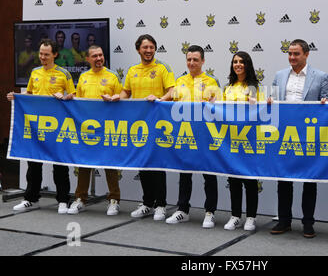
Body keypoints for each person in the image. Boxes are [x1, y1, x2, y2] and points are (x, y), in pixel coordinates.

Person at [268, 39, 328, 238]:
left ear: (306, 54)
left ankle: (308, 223)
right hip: (284, 136)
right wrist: (269, 101)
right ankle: (284, 221)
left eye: (296, 54)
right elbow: (274, 103)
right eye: (290, 53)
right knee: (283, 180)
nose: (292, 57)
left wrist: (325, 102)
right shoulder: (279, 75)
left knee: (309, 180)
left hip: (308, 136)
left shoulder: (321, 76)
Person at [6, 38, 75, 214]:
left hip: (57, 126)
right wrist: (17, 97)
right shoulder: (35, 72)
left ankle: (63, 200)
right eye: (40, 54)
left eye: (46, 54)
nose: (42, 57)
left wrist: (65, 96)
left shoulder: (64, 74)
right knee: (34, 164)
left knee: (60, 164)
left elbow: (73, 96)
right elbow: (29, 94)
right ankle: (30, 198)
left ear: (55, 55)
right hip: (36, 127)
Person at [120, 34, 175, 220]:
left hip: (158, 125)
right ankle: (147, 203)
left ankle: (161, 205)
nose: (149, 50)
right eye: (145, 47)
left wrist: (159, 100)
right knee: (143, 164)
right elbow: (125, 92)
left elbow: (172, 91)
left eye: (151, 47)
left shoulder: (163, 68)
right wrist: (115, 99)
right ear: (138, 50)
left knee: (157, 165)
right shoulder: (132, 70)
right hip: (138, 125)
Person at [165, 45, 221, 228]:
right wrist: (155, 100)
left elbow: (219, 109)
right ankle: (183, 210)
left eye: (195, 59)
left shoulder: (212, 81)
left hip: (206, 137)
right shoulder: (179, 81)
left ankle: (210, 212)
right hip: (185, 136)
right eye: (189, 59)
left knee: (209, 175)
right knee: (184, 174)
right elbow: (168, 105)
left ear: (203, 61)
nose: (191, 63)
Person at [67, 45, 122, 216]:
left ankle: (114, 200)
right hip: (88, 129)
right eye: (95, 56)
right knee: (84, 164)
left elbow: (122, 100)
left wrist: (114, 99)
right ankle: (80, 199)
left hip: (107, 128)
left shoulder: (112, 76)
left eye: (101, 55)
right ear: (88, 59)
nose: (98, 58)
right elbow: (79, 101)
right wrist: (71, 97)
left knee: (109, 164)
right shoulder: (83, 77)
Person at [222, 51, 265, 231]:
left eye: (241, 62)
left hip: (250, 139)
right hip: (232, 139)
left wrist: (256, 104)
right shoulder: (228, 87)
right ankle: (235, 215)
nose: (238, 64)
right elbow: (221, 111)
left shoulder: (255, 86)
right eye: (235, 62)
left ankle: (251, 217)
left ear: (247, 64)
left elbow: (262, 113)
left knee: (249, 179)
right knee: (233, 180)